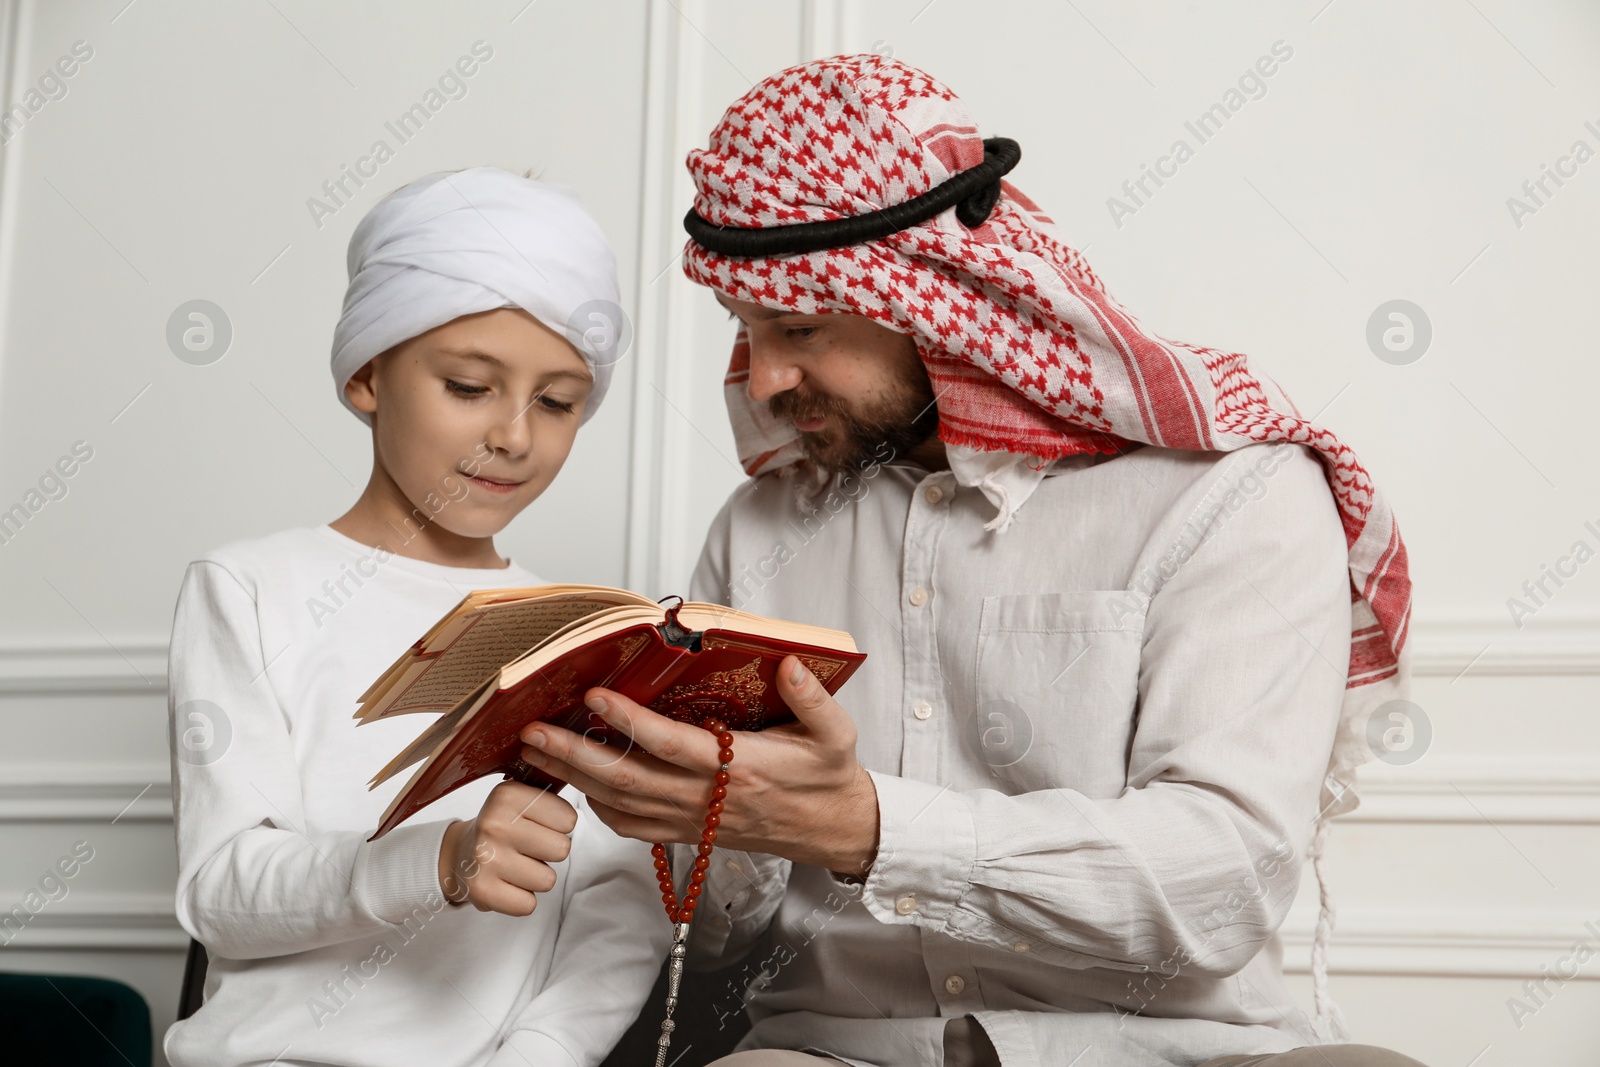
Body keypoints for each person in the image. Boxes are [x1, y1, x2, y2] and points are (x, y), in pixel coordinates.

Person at [516, 56, 1429, 1067]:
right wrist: (682, 819)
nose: (763, 379)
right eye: (745, 330)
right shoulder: (759, 533)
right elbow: (719, 926)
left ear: (931, 295)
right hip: (828, 1050)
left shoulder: (1230, 497)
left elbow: (1221, 882)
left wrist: (871, 826)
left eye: (800, 327)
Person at [163, 167, 668, 1067]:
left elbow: (619, 917)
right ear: (367, 374)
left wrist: (539, 1057)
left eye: (557, 402)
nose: (515, 435)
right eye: (470, 386)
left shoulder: (587, 633)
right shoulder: (248, 587)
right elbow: (221, 889)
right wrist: (435, 860)